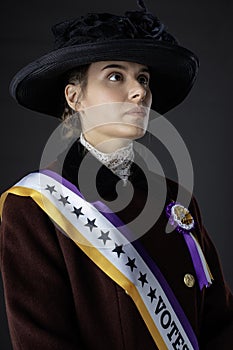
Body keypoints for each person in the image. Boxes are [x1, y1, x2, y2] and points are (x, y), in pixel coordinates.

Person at [0, 1, 232, 349]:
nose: (139, 91)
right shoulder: (34, 208)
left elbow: (221, 323)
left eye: (143, 78)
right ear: (75, 97)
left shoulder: (176, 200)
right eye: (115, 76)